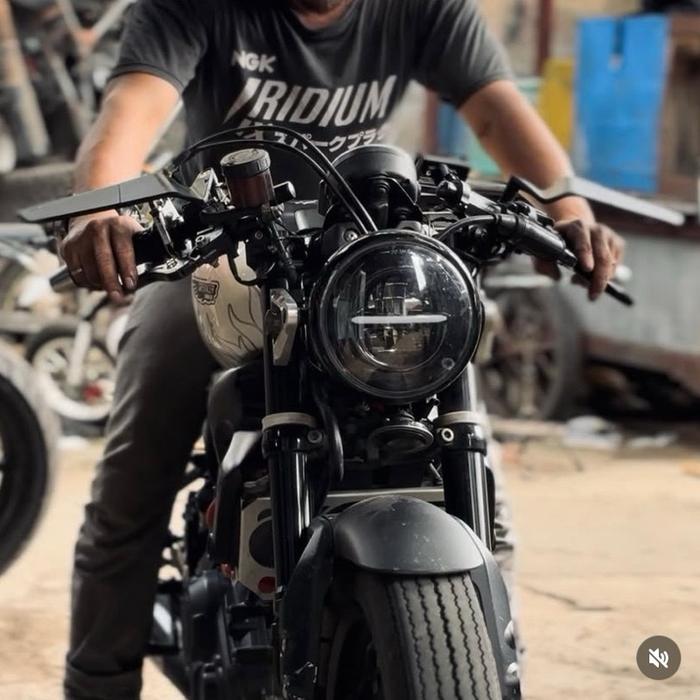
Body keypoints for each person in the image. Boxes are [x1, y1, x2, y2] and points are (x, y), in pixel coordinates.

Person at [61, 1, 625, 698]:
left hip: (364, 256)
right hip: (222, 257)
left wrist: (568, 209)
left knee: (475, 466)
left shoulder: (425, 8)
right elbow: (133, 107)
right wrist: (99, 209)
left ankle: (486, 661)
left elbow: (494, 111)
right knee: (136, 470)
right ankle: (99, 681)